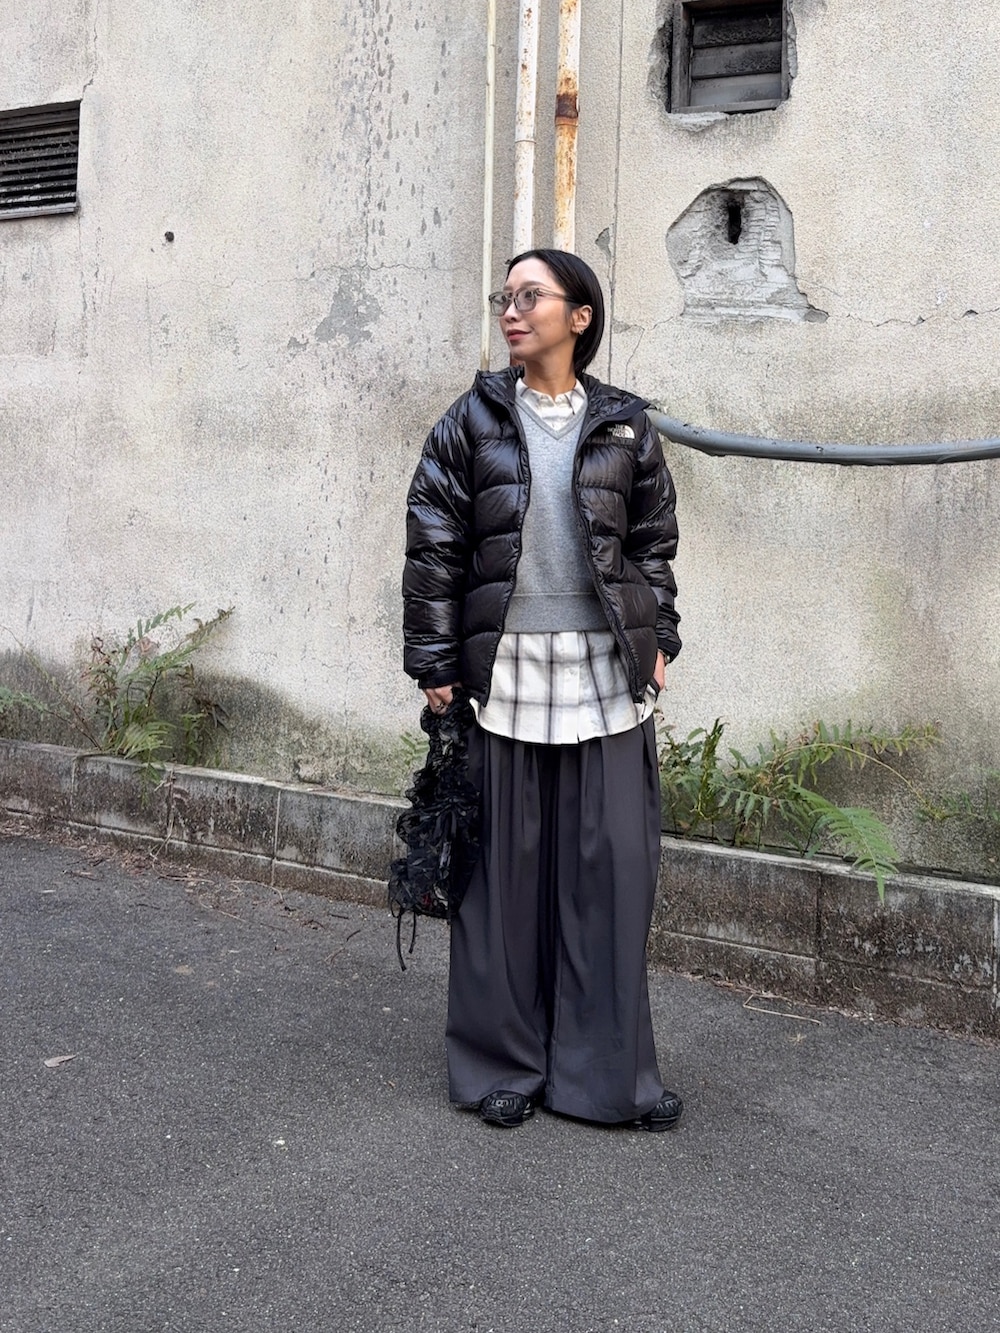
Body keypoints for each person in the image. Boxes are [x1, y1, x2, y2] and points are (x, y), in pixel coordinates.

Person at [402, 248, 683, 1131]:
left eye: (531, 296)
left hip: (605, 668)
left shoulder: (626, 426)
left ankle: (606, 1076)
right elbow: (434, 544)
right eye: (506, 296)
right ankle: (504, 1066)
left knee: (611, 874)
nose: (512, 311)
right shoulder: (470, 422)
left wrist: (662, 640)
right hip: (506, 668)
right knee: (501, 880)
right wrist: (435, 661)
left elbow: (653, 545)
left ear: (579, 316)